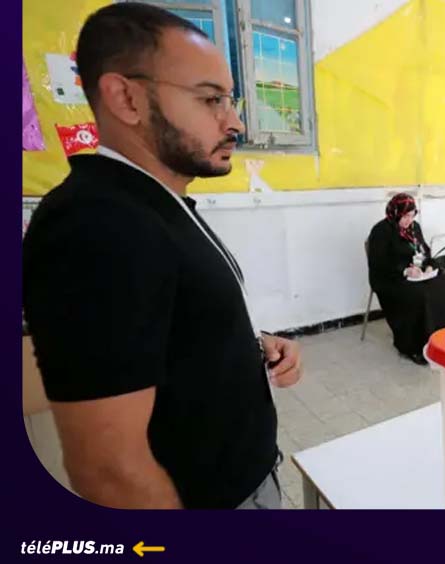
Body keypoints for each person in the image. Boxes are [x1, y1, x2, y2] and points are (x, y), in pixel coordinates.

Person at [23, 3, 302, 509]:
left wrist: (248, 344)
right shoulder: (96, 226)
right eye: (211, 99)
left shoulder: (153, 203)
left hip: (247, 477)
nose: (235, 122)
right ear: (126, 98)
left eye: (231, 100)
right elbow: (110, 471)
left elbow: (166, 323)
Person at [367, 193, 445, 365]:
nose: (409, 220)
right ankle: (414, 347)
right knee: (419, 297)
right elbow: (379, 264)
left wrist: (429, 265)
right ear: (395, 213)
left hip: (417, 273)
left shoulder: (414, 227)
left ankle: (442, 340)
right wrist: (404, 271)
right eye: (405, 216)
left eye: (412, 215)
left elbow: (424, 251)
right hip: (389, 278)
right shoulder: (381, 231)